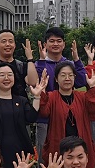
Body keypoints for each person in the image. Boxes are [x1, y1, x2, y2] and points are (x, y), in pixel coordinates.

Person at [38, 63, 95, 168]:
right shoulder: (51, 97)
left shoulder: (82, 97)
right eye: (63, 75)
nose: (67, 78)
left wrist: (92, 87)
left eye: (70, 75)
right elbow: (43, 112)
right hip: (59, 146)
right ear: (56, 79)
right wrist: (42, 92)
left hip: (81, 145)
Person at [33, 27, 86, 156]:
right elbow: (37, 83)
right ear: (45, 44)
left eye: (59, 41)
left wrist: (77, 60)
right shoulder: (39, 64)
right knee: (46, 156)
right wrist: (41, 61)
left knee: (70, 154)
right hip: (45, 118)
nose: (55, 44)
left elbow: (81, 82)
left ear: (64, 44)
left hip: (67, 116)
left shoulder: (69, 64)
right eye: (52, 41)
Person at [0, 29, 39, 100]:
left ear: (15, 45)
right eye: (4, 41)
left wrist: (30, 58)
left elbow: (33, 83)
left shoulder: (21, 66)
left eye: (11, 41)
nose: (7, 44)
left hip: (20, 105)